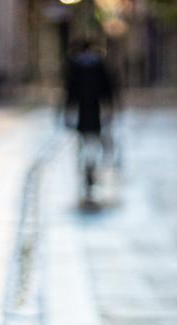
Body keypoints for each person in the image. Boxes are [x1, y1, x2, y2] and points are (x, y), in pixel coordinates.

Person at [65, 38, 117, 202]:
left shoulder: (76, 66)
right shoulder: (98, 65)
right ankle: (90, 163)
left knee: (84, 138)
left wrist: (68, 110)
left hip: (83, 109)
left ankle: (87, 164)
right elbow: (108, 89)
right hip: (95, 109)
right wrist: (110, 107)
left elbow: (70, 91)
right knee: (92, 138)